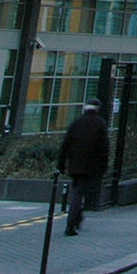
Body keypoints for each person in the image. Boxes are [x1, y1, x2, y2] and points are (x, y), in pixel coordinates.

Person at [58, 101, 110, 236]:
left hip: (74, 165)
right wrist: (103, 167)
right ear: (97, 109)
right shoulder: (100, 124)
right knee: (79, 193)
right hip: (90, 165)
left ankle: (77, 218)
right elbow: (104, 148)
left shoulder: (76, 123)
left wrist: (61, 164)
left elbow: (65, 144)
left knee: (77, 191)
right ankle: (71, 224)